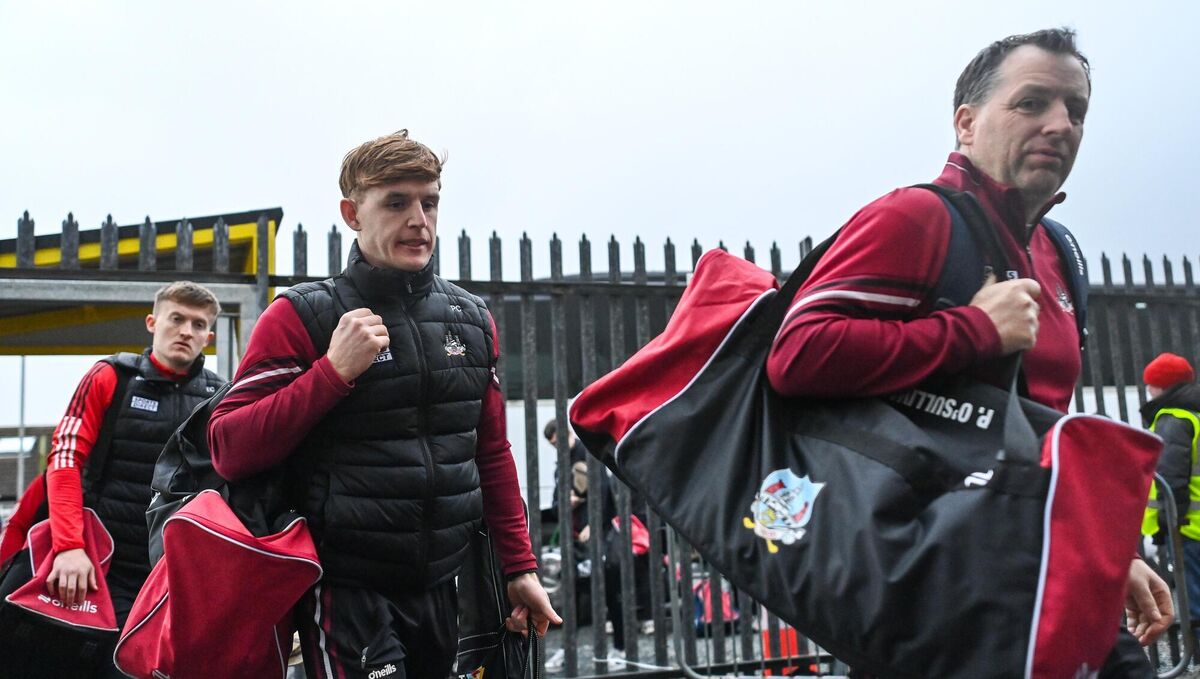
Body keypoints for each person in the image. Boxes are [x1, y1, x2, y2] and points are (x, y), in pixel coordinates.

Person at [765, 28, 1170, 677]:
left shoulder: (1058, 252)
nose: (1060, 125)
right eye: (1032, 103)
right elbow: (797, 354)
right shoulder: (915, 217)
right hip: (939, 582)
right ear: (967, 122)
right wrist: (973, 330)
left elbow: (1035, 428)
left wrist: (1108, 550)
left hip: (1037, 566)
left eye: (1077, 110)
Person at [208, 129, 559, 678]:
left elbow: (489, 452)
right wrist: (332, 373)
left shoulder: (471, 318)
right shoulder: (303, 314)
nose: (419, 219)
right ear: (352, 213)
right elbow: (229, 448)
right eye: (396, 202)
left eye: (430, 201)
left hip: (442, 586)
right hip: (345, 588)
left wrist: (519, 567)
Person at [40, 281, 224, 677]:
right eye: (176, 319)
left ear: (209, 336)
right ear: (152, 322)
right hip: (105, 567)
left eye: (198, 324)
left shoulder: (219, 395)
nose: (186, 331)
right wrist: (69, 547)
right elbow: (65, 459)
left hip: (180, 575)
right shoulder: (112, 376)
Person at [1140, 353, 1200, 637]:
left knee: (1194, 598)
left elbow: (1170, 479)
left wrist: (1165, 523)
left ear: (1162, 386)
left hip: (1187, 526)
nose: (1148, 390)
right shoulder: (1195, 414)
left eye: (1151, 383)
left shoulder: (1174, 418)